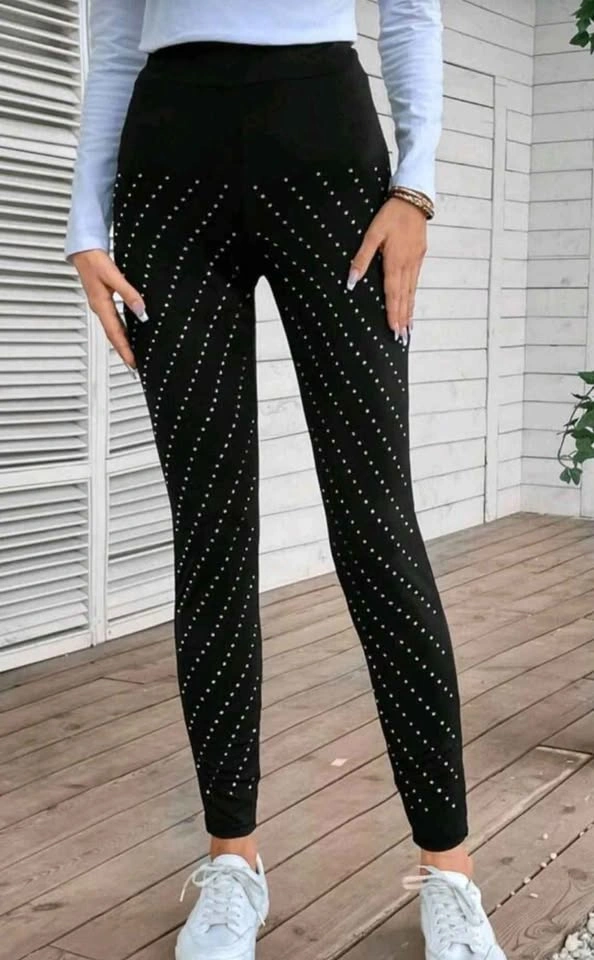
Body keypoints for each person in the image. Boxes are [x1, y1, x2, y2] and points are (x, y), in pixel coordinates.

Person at [65, 3, 507, 960]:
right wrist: (84, 222)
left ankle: (449, 872)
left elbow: (411, 12)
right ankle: (233, 862)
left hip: (325, 148)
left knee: (377, 524)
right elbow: (116, 36)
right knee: (210, 533)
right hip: (166, 167)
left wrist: (416, 185)